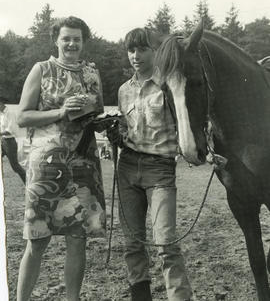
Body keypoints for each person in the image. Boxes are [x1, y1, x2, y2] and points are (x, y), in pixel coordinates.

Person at [16, 16, 106, 301]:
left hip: (83, 164)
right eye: (66, 38)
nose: (71, 44)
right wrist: (60, 112)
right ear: (56, 40)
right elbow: (23, 116)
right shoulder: (41, 70)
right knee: (38, 241)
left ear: (84, 42)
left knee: (77, 239)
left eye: (76, 39)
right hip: (46, 166)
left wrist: (107, 123)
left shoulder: (92, 74)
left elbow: (97, 114)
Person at [109, 28, 193, 301]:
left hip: (160, 170)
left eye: (142, 49)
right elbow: (125, 131)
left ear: (155, 51)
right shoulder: (124, 90)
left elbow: (187, 123)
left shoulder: (170, 85)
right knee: (132, 244)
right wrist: (114, 132)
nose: (135, 56)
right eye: (131, 50)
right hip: (128, 167)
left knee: (166, 242)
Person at [0, 101, 26, 183]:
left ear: (1, 104)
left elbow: (10, 131)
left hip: (9, 143)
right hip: (3, 141)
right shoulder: (1, 114)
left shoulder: (10, 113)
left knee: (15, 166)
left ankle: (28, 183)